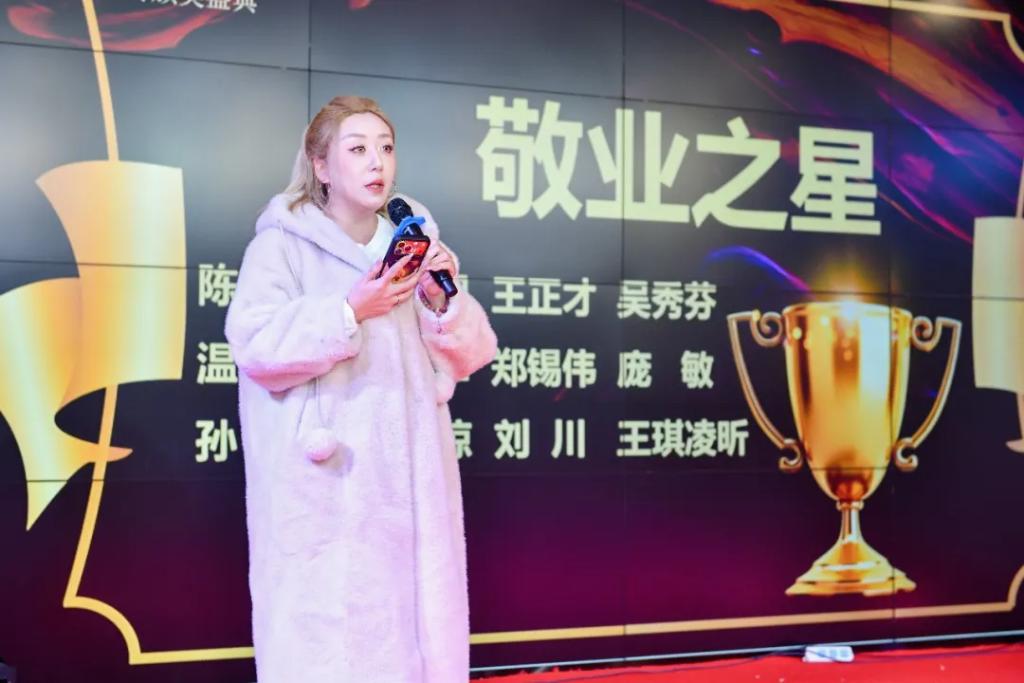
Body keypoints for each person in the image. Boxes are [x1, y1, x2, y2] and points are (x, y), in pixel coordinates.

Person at [224, 94, 498, 682]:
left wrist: (441, 300)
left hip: (413, 485)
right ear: (321, 165)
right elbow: (254, 345)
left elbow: (472, 352)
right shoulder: (281, 245)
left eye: (386, 147)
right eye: (358, 149)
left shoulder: (414, 243)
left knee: (416, 638)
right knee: (332, 648)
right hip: (328, 488)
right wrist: (349, 310)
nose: (377, 162)